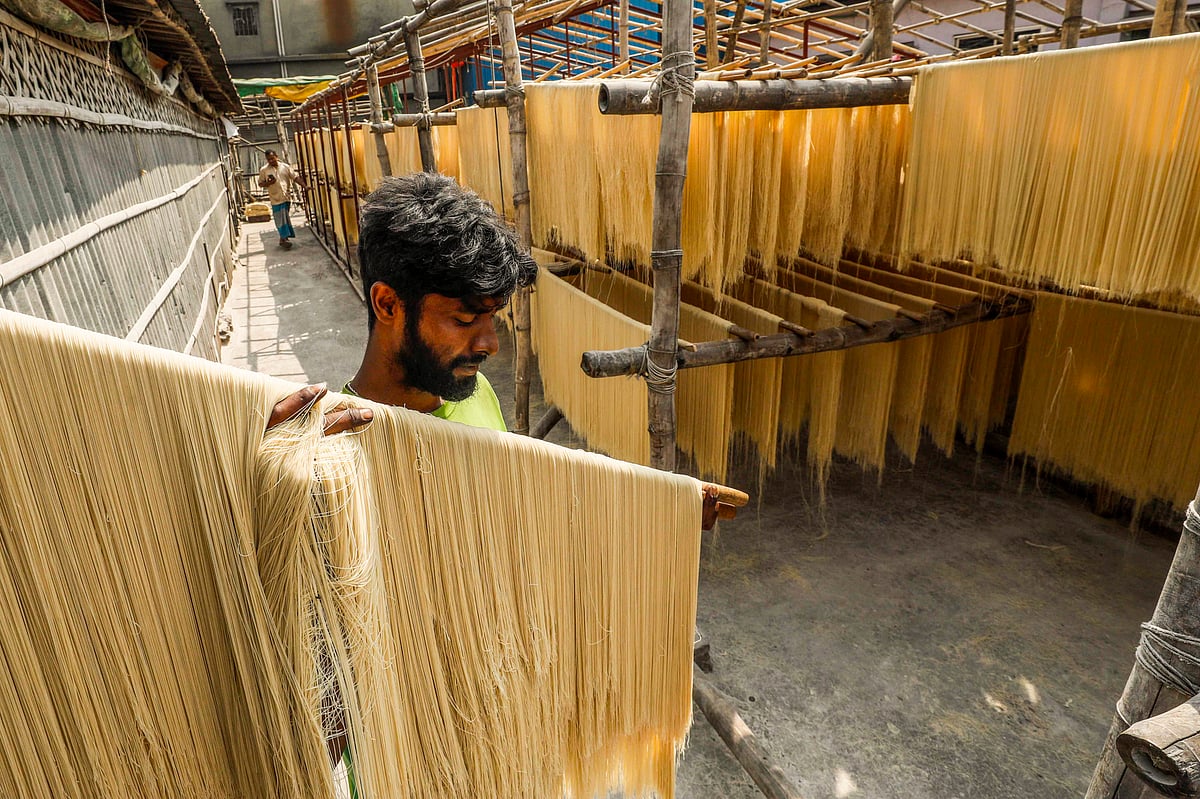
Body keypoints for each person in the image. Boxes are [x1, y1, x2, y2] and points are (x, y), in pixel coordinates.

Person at [257, 149, 302, 248]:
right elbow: (260, 183)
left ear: (276, 157)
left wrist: (305, 186)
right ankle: (284, 238)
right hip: (275, 199)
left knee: (285, 218)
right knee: (279, 220)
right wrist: (269, 183)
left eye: (272, 158)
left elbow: (295, 177)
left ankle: (283, 239)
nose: (271, 161)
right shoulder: (264, 170)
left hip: (286, 197)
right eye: (269, 159)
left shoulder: (285, 167)